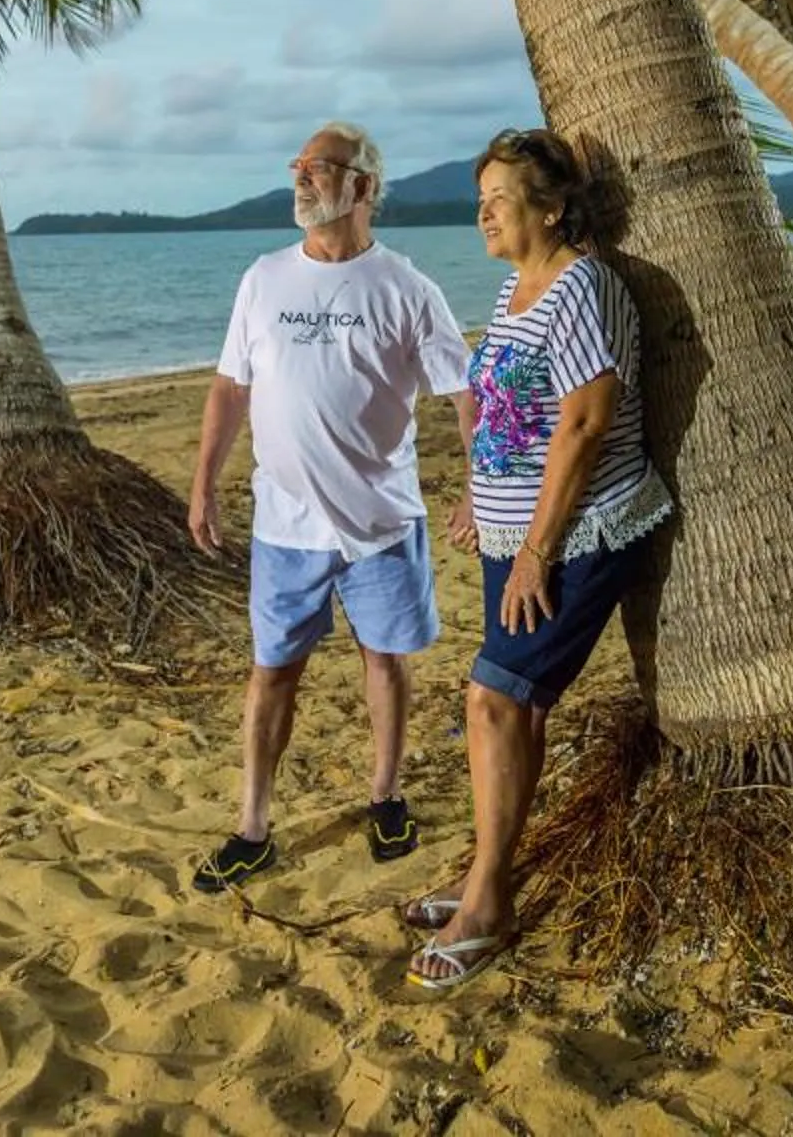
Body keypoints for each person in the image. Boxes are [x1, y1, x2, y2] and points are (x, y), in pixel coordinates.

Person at [405, 127, 675, 990]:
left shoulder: (581, 287)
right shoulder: (517, 287)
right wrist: (479, 495)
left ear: (551, 209)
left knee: (491, 698)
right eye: (478, 200)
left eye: (498, 199)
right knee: (512, 707)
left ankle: (489, 902)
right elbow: (515, 415)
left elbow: (588, 422)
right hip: (512, 532)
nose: (481, 213)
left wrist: (535, 551)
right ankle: (488, 872)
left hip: (578, 534)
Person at [188, 122, 471, 893]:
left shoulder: (408, 288)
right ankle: (252, 827)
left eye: (320, 168)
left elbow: (463, 390)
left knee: (385, 660)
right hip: (284, 527)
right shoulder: (264, 277)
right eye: (298, 166)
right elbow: (230, 387)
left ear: (364, 187)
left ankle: (386, 795)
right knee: (271, 671)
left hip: (381, 522)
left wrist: (479, 484)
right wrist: (205, 482)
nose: (302, 178)